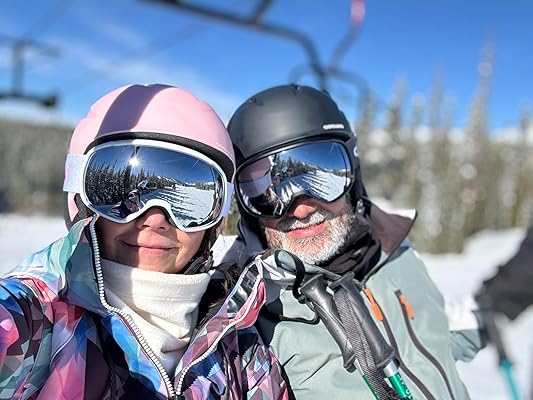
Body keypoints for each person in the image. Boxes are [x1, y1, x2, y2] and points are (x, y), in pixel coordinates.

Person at [0, 84, 287, 399]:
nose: (155, 219)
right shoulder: (39, 319)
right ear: (81, 199)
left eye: (189, 200)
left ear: (214, 223)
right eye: (124, 193)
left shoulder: (241, 351)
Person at [219, 84, 482, 399]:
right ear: (245, 207)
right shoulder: (243, 324)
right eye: (263, 191)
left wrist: (494, 309)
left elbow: (435, 341)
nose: (301, 209)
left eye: (322, 176)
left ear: (353, 175)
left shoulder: (396, 253)